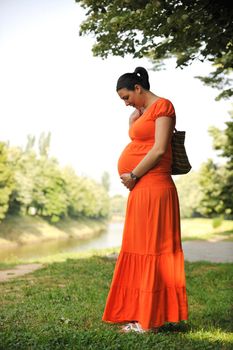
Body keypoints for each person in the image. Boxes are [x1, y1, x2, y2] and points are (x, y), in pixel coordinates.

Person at [102, 67, 188, 333]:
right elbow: (139, 140)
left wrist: (133, 174)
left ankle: (149, 321)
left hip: (154, 186)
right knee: (138, 249)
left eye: (126, 97)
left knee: (152, 251)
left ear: (138, 88)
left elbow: (160, 148)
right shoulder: (139, 114)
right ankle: (138, 312)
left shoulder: (163, 106)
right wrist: (133, 119)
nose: (125, 103)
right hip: (140, 188)